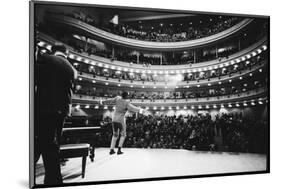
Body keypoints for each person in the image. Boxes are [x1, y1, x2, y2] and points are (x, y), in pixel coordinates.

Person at [34, 44, 77, 185]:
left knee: (46, 144)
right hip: (62, 111)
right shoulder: (72, 69)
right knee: (50, 143)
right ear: (67, 53)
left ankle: (54, 180)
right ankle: (52, 179)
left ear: (53, 51)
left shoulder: (46, 59)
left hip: (44, 108)